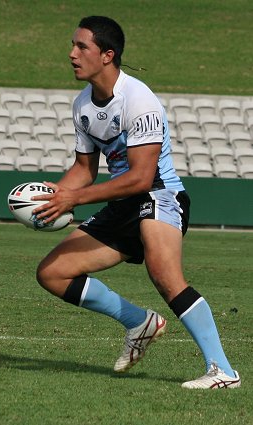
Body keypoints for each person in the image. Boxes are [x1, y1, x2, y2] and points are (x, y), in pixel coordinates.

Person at [32, 16, 240, 389]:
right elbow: (83, 170)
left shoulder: (138, 99)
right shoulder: (83, 104)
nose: (72, 54)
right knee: (52, 273)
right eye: (73, 45)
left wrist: (74, 199)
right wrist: (51, 199)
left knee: (164, 275)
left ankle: (223, 371)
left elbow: (142, 177)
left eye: (82, 47)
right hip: (124, 201)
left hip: (159, 194)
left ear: (108, 55)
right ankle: (139, 322)